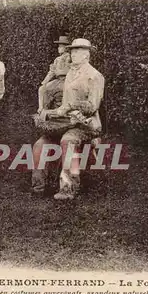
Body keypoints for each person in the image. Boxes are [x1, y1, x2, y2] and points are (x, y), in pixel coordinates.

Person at [31, 38, 105, 200]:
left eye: (77, 51)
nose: (73, 54)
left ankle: (68, 188)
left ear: (87, 55)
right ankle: (38, 186)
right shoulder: (71, 72)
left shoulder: (95, 76)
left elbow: (93, 106)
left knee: (67, 141)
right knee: (40, 145)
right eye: (72, 50)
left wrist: (71, 105)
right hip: (65, 122)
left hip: (85, 125)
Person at [37, 36, 71, 113]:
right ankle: (42, 109)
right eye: (59, 46)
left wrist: (58, 71)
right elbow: (51, 72)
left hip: (67, 81)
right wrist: (44, 82)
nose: (58, 48)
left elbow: (70, 70)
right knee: (42, 89)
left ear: (66, 48)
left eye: (60, 46)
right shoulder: (57, 59)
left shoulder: (70, 58)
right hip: (58, 81)